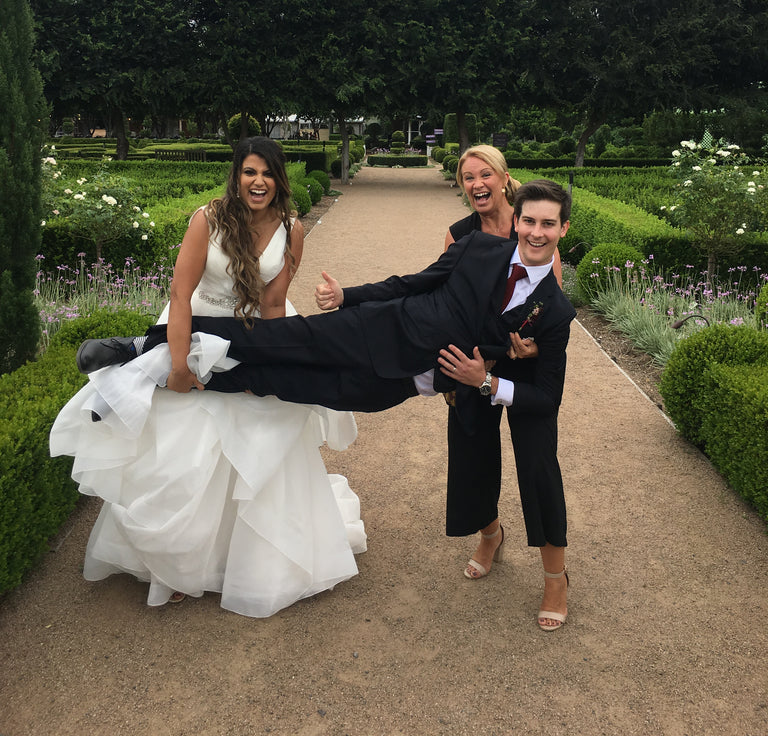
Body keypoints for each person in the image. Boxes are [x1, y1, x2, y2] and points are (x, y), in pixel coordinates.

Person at [78, 178, 576, 629]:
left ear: (563, 229)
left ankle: (549, 573)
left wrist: (485, 380)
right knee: (276, 341)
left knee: (280, 383)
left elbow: (546, 394)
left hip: (405, 381)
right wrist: (348, 297)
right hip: (378, 328)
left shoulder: (554, 311)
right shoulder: (478, 247)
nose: (536, 232)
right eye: (529, 221)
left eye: (548, 224)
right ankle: (144, 351)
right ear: (516, 221)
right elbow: (413, 283)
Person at [51, 137, 366, 617]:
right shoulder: (209, 219)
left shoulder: (292, 229)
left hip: (254, 336)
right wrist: (179, 366)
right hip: (194, 330)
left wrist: (274, 367)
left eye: (267, 173)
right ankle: (177, 565)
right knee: (184, 452)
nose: (258, 182)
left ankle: (243, 558)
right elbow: (181, 294)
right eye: (249, 172)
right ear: (236, 176)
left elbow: (273, 304)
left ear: (279, 179)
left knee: (261, 437)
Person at [443, 146, 563, 597]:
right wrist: (456, 370)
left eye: (485, 174)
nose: (477, 184)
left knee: (538, 465)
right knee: (472, 455)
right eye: (468, 177)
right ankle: (490, 533)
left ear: (504, 177)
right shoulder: (460, 235)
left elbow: (551, 301)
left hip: (527, 368)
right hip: (477, 362)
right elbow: (450, 302)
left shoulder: (534, 226)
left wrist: (534, 347)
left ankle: (555, 577)